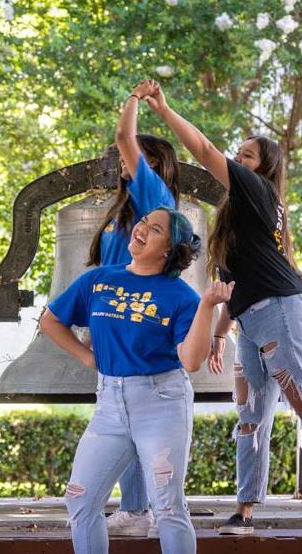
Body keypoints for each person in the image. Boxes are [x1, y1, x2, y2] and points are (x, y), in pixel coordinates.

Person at [143, 81, 302, 534]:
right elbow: (236, 278)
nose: (237, 160)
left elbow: (204, 148)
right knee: (251, 415)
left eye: (246, 155)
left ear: (263, 167)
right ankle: (246, 507)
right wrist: (218, 332)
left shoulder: (256, 190)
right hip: (251, 317)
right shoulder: (244, 213)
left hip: (280, 310)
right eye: (239, 154)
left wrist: (166, 110)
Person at [41, 207, 231, 554]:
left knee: (168, 507)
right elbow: (50, 320)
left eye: (154, 229)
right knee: (80, 501)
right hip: (109, 406)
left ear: (169, 250)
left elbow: (190, 360)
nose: (141, 229)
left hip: (161, 404)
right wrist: (88, 358)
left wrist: (207, 308)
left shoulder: (183, 297)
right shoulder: (98, 280)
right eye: (143, 222)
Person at [85, 80, 181, 537]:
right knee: (119, 413)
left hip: (138, 321)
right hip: (113, 321)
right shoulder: (127, 210)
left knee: (134, 414)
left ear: (152, 163)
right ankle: (138, 508)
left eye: (133, 158)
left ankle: (142, 510)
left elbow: (125, 139)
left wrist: (134, 98)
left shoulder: (156, 198)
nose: (121, 161)